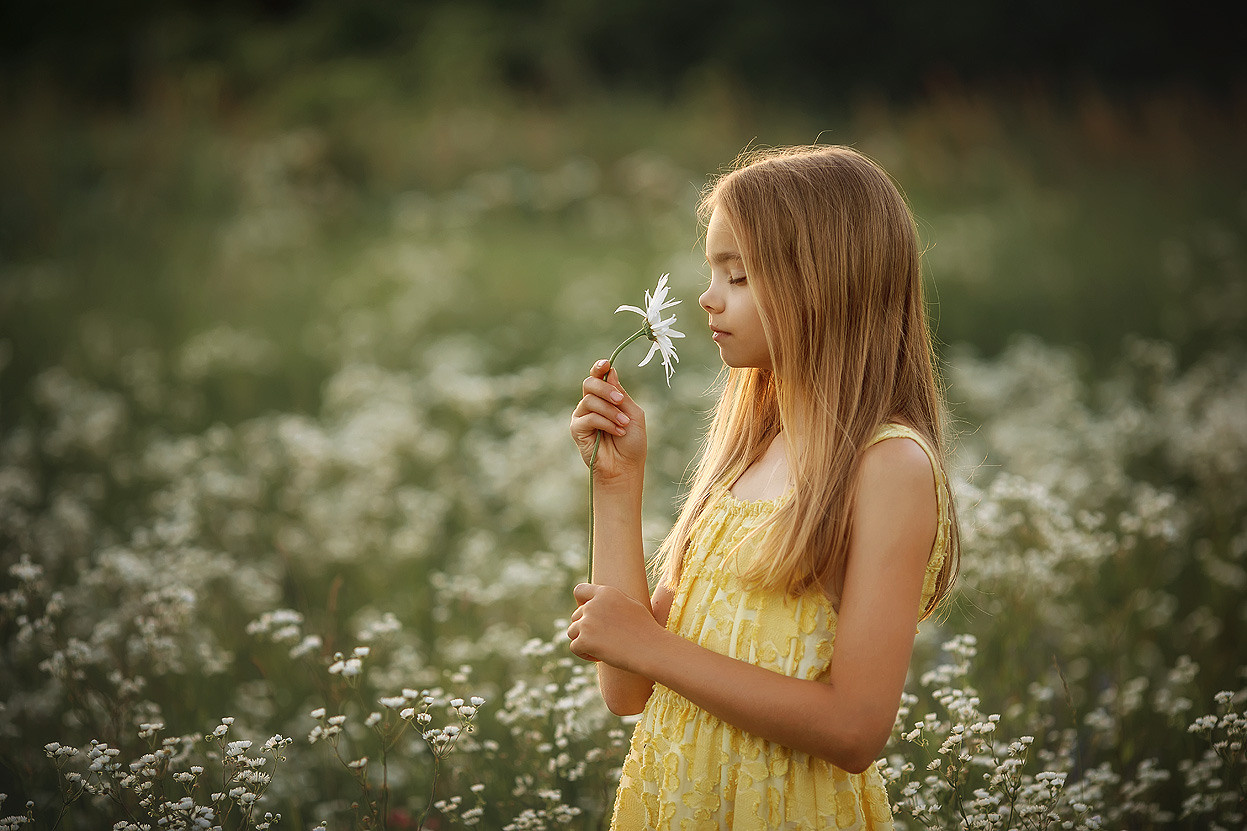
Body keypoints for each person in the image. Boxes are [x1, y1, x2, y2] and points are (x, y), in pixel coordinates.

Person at [567, 145, 959, 830]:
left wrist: (652, 646)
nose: (708, 296)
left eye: (739, 275)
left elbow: (855, 728)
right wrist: (616, 484)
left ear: (826, 285)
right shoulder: (748, 457)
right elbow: (627, 689)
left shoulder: (888, 467)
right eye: (712, 270)